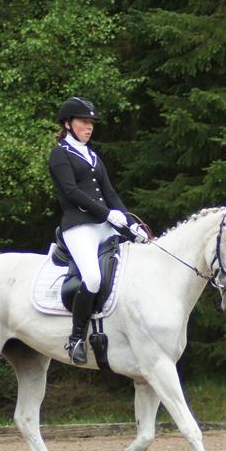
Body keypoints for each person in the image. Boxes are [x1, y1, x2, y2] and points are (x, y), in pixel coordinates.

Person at [48, 96, 146, 364]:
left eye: (91, 123)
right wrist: (106, 214)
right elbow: (71, 191)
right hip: (78, 227)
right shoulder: (60, 154)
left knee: (130, 267)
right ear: (68, 124)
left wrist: (131, 223)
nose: (89, 127)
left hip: (103, 226)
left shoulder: (92, 156)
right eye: (83, 122)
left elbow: (110, 193)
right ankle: (76, 337)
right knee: (92, 278)